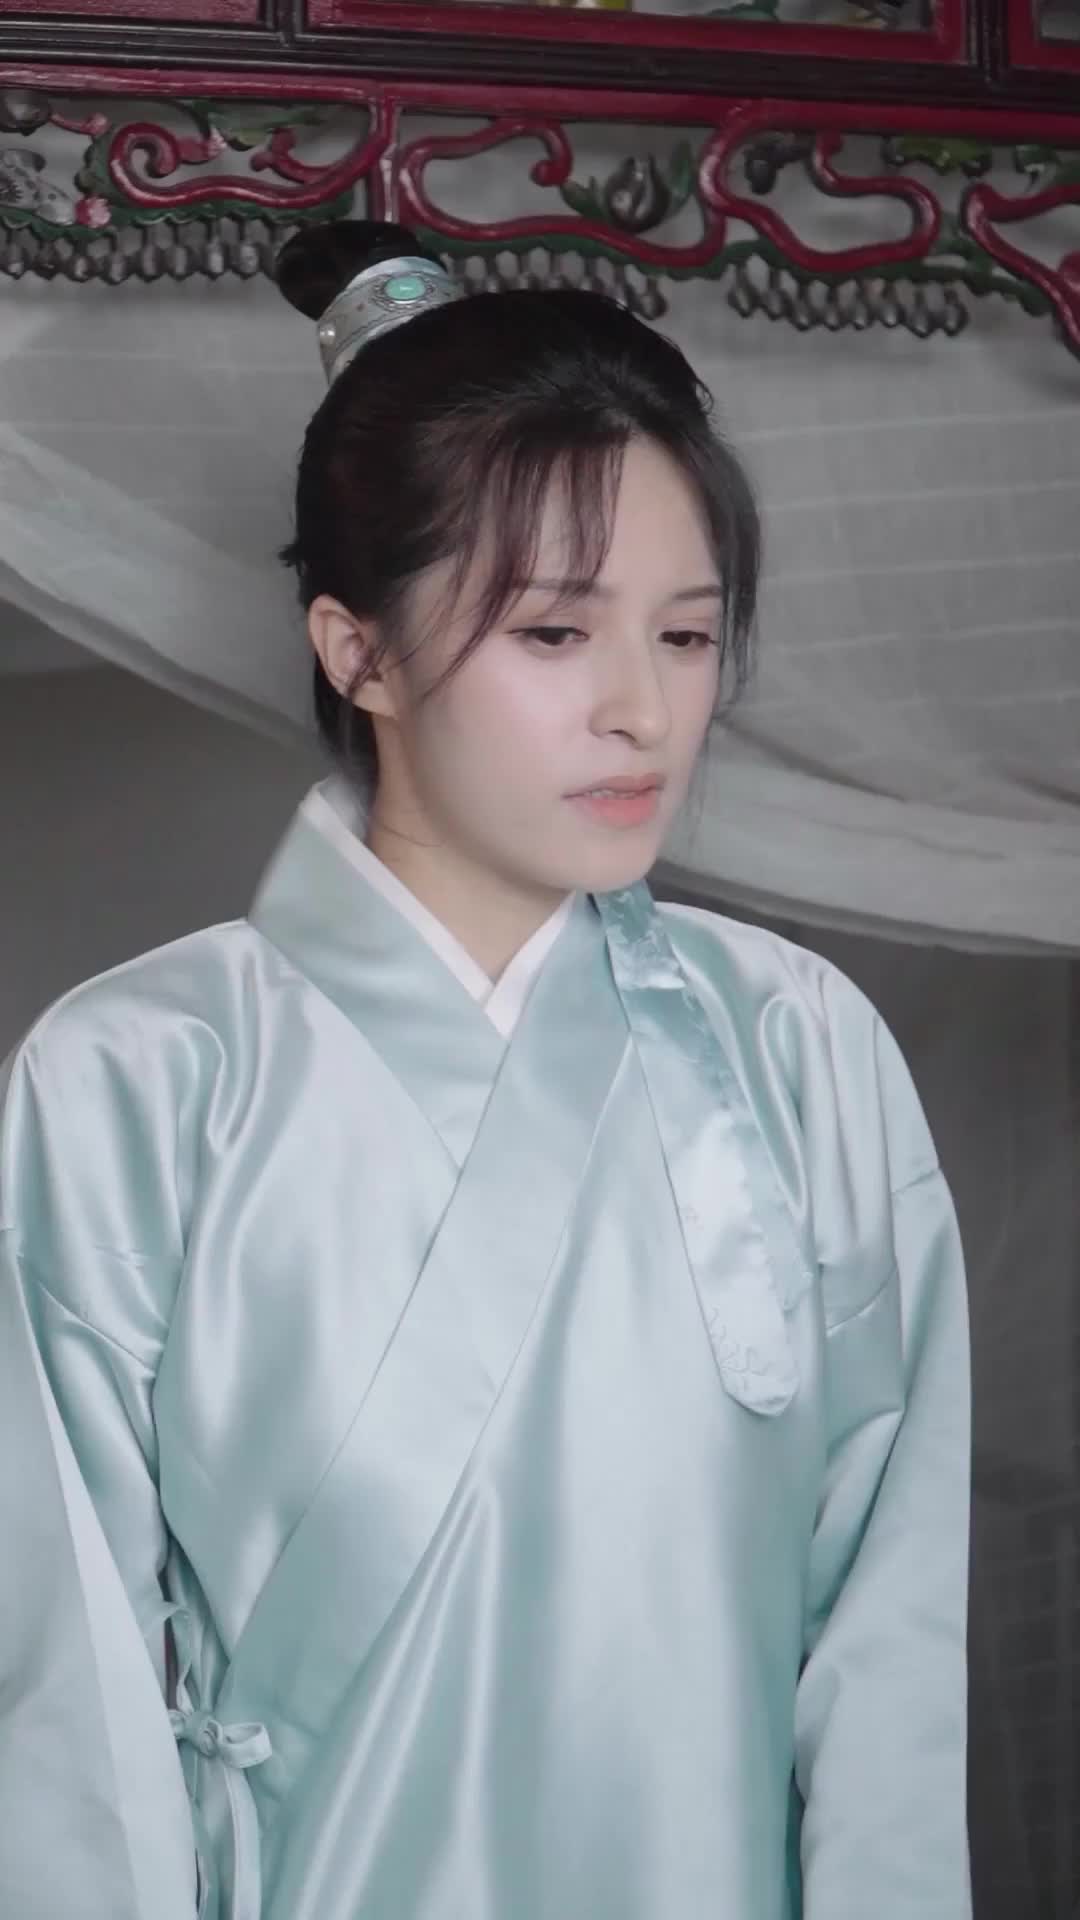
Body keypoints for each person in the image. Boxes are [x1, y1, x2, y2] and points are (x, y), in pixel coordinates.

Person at [0, 220, 971, 1920]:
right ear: (355, 648)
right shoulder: (140, 1085)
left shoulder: (799, 1045)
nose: (643, 713)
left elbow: (890, 1647)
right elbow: (68, 1718)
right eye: (554, 635)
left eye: (686, 638)